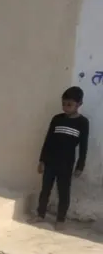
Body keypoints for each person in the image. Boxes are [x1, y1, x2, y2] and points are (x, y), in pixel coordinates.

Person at [35, 86, 90, 228]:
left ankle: (60, 220)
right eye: (63, 104)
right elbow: (48, 140)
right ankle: (40, 214)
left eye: (69, 104)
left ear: (79, 104)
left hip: (66, 164)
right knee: (45, 189)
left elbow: (83, 146)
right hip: (50, 161)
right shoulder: (57, 119)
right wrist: (42, 160)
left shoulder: (83, 123)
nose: (65, 107)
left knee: (63, 191)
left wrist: (80, 166)